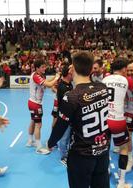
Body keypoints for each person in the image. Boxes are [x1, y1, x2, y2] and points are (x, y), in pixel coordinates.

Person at [48, 51, 111, 188]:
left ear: (73, 68)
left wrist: (50, 142)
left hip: (81, 155)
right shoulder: (103, 88)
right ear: (90, 69)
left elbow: (60, 127)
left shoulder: (71, 96)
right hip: (103, 151)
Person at [102, 58, 133, 188]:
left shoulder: (105, 78)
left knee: (105, 148)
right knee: (123, 148)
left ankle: (105, 171)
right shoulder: (126, 80)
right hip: (118, 120)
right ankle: (122, 181)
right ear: (124, 69)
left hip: (105, 119)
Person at [26, 59, 60, 154]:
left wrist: (54, 77)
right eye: (42, 67)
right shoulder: (36, 76)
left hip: (32, 102)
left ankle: (30, 141)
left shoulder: (41, 75)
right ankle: (39, 147)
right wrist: (57, 78)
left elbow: (46, 81)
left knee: (33, 121)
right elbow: (49, 85)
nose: (44, 68)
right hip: (35, 104)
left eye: (44, 66)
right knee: (38, 125)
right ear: (37, 68)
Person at [54, 64, 73, 166]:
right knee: (64, 137)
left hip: (69, 116)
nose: (73, 73)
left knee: (68, 136)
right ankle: (63, 157)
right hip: (65, 116)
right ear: (68, 74)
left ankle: (66, 153)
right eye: (71, 72)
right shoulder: (62, 86)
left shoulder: (69, 85)